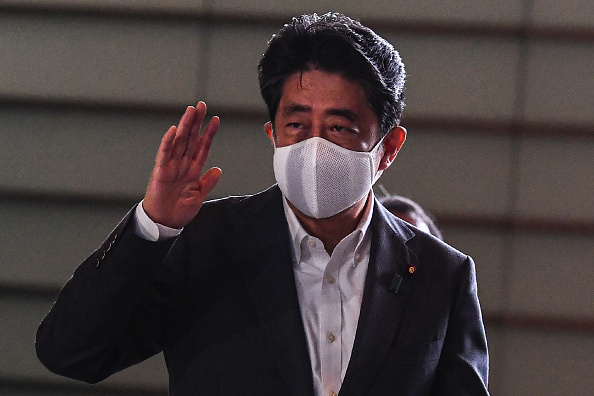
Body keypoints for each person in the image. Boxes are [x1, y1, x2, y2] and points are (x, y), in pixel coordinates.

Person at [36, 12, 489, 396]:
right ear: (273, 135)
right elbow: (70, 352)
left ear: (387, 149)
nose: (314, 145)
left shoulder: (439, 275)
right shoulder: (205, 243)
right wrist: (153, 224)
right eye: (296, 124)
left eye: (338, 127)